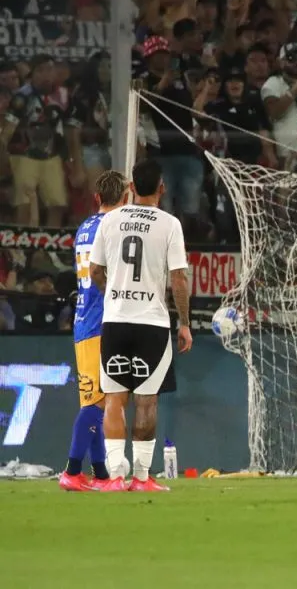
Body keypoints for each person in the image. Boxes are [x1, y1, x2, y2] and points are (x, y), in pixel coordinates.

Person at [88, 159, 193, 492]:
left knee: (114, 398)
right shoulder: (170, 224)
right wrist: (185, 324)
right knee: (147, 401)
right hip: (151, 322)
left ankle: (114, 476)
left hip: (116, 320)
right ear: (161, 188)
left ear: (131, 188)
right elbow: (178, 277)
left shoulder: (110, 220)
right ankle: (142, 478)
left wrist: (113, 297)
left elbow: (94, 272)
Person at [58, 171, 130, 492]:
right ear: (125, 198)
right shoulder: (115, 229)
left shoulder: (84, 227)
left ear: (97, 198)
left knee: (96, 401)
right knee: (98, 405)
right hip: (104, 321)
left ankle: (100, 474)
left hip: (83, 321)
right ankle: (72, 471)